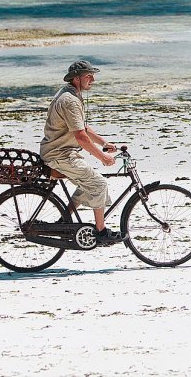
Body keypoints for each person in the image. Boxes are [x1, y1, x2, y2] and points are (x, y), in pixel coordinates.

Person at [40, 60, 123, 245]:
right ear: (76, 78)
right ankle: (101, 232)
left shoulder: (71, 94)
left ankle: (64, 220)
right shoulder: (70, 100)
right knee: (98, 184)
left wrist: (104, 143)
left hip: (61, 152)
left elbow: (82, 127)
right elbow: (81, 137)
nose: (92, 79)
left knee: (87, 183)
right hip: (59, 154)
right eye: (88, 75)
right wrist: (103, 157)